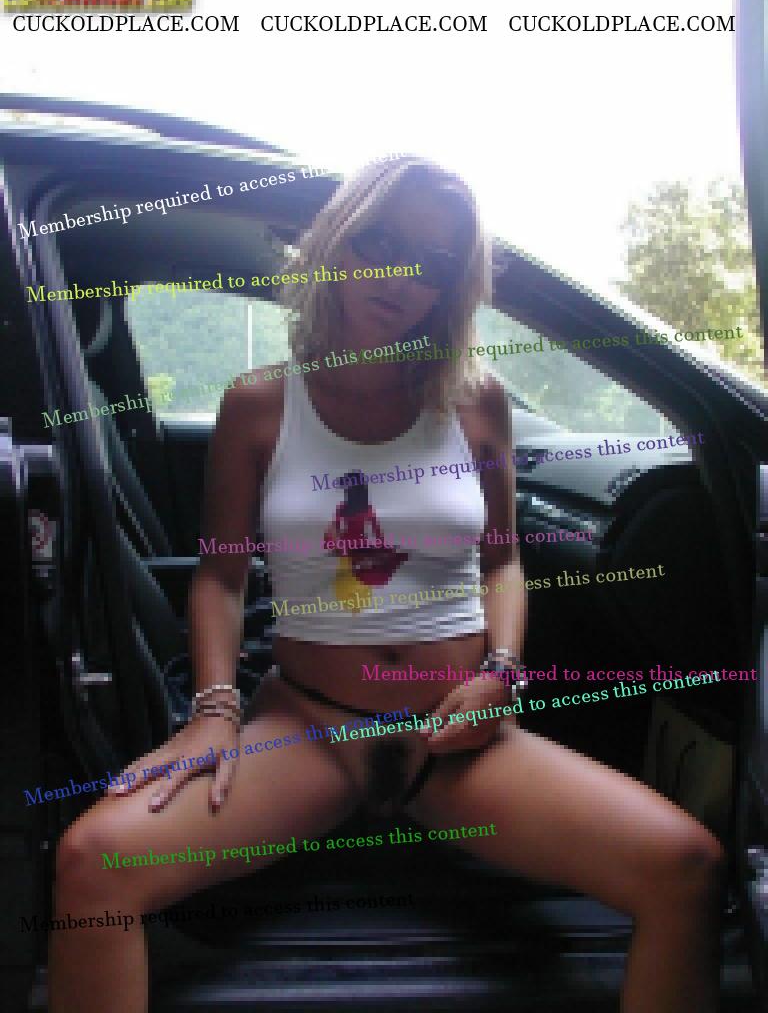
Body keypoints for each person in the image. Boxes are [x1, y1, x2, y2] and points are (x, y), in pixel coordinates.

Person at [50, 157, 724, 1013]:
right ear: (335, 241)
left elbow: (502, 561)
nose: (403, 276)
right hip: (310, 729)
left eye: (434, 262)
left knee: (687, 867)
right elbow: (220, 575)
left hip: (453, 739)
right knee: (93, 866)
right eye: (381, 242)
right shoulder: (259, 404)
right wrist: (214, 711)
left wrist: (502, 674)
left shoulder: (475, 402)